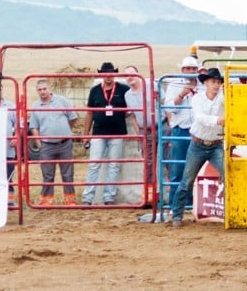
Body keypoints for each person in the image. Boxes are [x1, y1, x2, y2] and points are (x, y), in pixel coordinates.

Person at [170, 68, 225, 228]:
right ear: (206, 83)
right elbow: (199, 118)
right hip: (199, 144)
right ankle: (177, 214)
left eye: (218, 82)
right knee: (187, 180)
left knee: (229, 177)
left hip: (215, 143)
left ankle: (230, 212)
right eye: (213, 82)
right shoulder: (198, 99)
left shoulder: (223, 98)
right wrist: (218, 120)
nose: (216, 85)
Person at [82, 62, 135, 206]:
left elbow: (131, 110)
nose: (108, 77)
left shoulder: (124, 89)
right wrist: (86, 134)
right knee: (94, 164)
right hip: (98, 132)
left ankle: (109, 196)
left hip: (117, 132)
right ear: (101, 75)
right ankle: (88, 197)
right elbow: (89, 113)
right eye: (106, 74)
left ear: (115, 74)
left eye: (111, 73)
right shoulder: (94, 90)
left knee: (114, 164)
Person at [27, 79, 78, 206]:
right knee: (47, 174)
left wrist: (65, 132)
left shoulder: (62, 101)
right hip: (47, 145)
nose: (42, 92)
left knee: (67, 173)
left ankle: (70, 199)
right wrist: (39, 143)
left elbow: (73, 118)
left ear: (49, 88)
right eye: (39, 89)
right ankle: (46, 200)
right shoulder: (36, 106)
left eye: (44, 89)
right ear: (37, 91)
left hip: (64, 144)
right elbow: (34, 126)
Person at [163, 55, 200, 195]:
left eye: (193, 68)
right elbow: (170, 108)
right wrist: (181, 95)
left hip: (199, 130)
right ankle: (175, 201)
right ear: (182, 70)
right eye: (188, 68)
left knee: (196, 167)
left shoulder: (203, 85)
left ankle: (193, 202)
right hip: (182, 129)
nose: (191, 71)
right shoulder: (174, 85)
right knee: (178, 167)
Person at [123, 65, 156, 203]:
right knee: (148, 162)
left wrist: (170, 125)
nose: (130, 77)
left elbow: (165, 104)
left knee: (167, 159)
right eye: (127, 75)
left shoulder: (151, 85)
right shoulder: (128, 95)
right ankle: (149, 195)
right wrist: (139, 133)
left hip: (161, 125)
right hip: (145, 129)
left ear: (138, 74)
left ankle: (170, 194)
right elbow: (133, 116)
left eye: (132, 73)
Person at [0, 81, 17, 204]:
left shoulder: (10, 106)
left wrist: (16, 136)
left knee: (8, 176)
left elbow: (20, 124)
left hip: (7, 148)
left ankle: (9, 202)